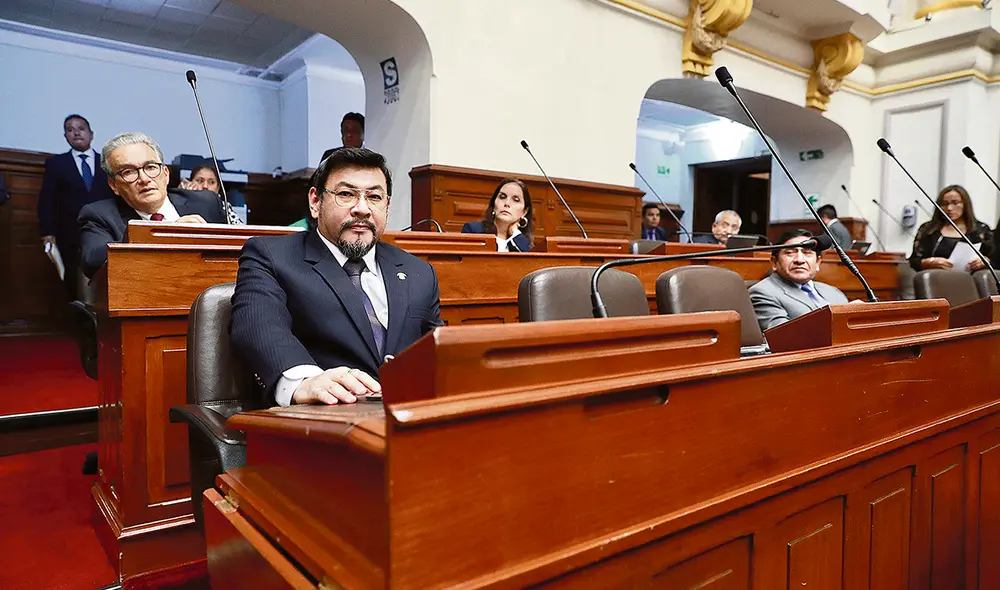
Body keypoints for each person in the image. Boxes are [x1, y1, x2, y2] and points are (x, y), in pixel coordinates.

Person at [230, 147, 443, 406]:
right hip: (324, 422)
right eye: (346, 194)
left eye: (374, 197)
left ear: (387, 206)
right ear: (315, 202)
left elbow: (438, 350)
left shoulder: (418, 271)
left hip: (412, 420)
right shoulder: (272, 257)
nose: (362, 209)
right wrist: (304, 381)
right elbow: (259, 326)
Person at [77, 132, 228, 278]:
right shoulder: (99, 215)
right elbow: (92, 262)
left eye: (150, 167)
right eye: (128, 171)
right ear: (114, 185)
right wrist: (161, 236)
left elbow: (233, 254)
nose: (144, 179)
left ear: (166, 174)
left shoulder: (206, 203)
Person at [38, 115, 115, 297]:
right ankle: (78, 322)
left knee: (104, 281)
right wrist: (47, 233)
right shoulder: (57, 164)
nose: (76, 132)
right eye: (70, 129)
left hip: (102, 232)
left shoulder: (107, 164)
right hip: (69, 233)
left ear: (91, 134)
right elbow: (46, 200)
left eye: (81, 128)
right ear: (65, 136)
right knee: (72, 282)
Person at [749, 229, 849, 331]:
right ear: (774, 262)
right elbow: (784, 334)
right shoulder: (761, 292)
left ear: (818, 263)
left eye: (807, 253)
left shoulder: (834, 292)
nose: (799, 260)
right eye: (790, 253)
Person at [908, 185, 993, 272]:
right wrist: (927, 263)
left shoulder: (981, 230)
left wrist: (985, 261)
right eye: (944, 204)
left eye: (955, 203)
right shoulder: (928, 229)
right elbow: (914, 261)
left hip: (971, 281)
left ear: (965, 204)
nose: (949, 208)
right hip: (936, 280)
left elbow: (994, 257)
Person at [461, 178, 534, 252]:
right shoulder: (473, 231)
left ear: (524, 212)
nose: (507, 203)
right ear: (493, 205)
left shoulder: (524, 243)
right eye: (502, 197)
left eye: (516, 200)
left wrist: (515, 232)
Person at [180, 164, 246, 224]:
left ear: (218, 187)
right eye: (200, 181)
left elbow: (241, 231)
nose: (205, 186)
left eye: (211, 182)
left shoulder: (224, 207)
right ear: (190, 182)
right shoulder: (182, 203)